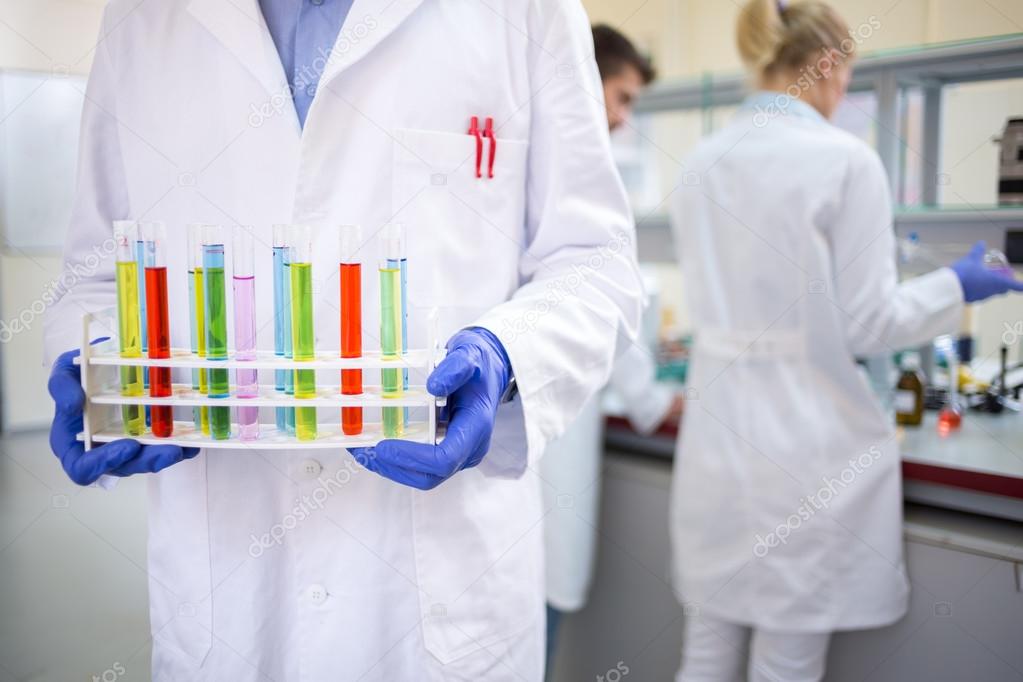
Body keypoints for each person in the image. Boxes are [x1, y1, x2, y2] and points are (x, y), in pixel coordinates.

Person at [43, 1, 644, 680]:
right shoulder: (144, 16)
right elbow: (96, 271)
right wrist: (87, 366)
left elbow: (596, 261)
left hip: (439, 604)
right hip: (229, 597)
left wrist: (505, 355)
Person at [668, 1, 1023, 680]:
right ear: (827, 66)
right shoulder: (843, 161)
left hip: (716, 451)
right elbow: (870, 324)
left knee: (704, 651)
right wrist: (954, 285)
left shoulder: (700, 164)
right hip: (801, 451)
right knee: (786, 662)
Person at [540, 23, 681, 677]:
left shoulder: (565, 162)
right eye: (620, 97)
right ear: (581, 73)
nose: (623, 118)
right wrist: (652, 401)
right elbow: (608, 314)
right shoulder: (570, 167)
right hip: (543, 438)